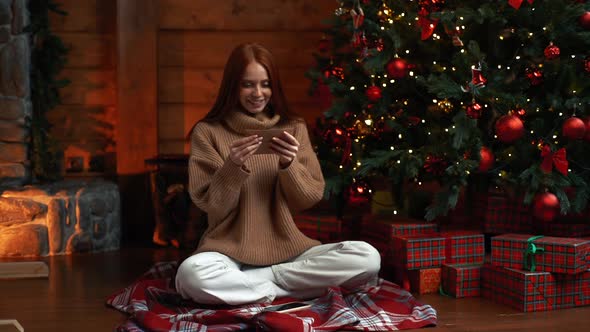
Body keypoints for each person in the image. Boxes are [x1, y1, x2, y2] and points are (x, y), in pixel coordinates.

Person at [175, 43, 381, 306]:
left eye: (265, 84)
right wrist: (232, 167)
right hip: (228, 252)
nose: (258, 93)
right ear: (232, 86)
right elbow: (213, 206)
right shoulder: (208, 132)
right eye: (247, 84)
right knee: (190, 276)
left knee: (367, 257)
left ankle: (259, 283)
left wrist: (289, 165)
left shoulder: (293, 127)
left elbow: (308, 198)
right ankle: (292, 288)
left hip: (290, 251)